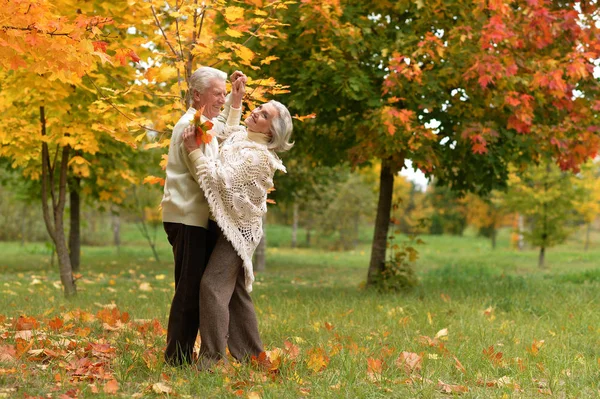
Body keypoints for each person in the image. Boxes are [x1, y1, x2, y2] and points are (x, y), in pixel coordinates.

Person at [181, 99, 294, 369]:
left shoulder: (257, 157)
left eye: (264, 114)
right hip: (223, 222)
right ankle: (254, 357)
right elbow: (227, 135)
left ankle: (212, 359)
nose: (256, 112)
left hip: (238, 231)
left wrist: (193, 151)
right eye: (259, 107)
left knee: (212, 286)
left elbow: (219, 179)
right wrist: (236, 101)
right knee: (235, 294)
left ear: (270, 132)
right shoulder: (244, 138)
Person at [161, 66, 246, 366]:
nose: (221, 99)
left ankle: (183, 355)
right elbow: (208, 176)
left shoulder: (203, 123)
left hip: (196, 219)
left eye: (223, 93)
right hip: (187, 219)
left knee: (193, 288)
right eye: (217, 93)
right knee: (188, 291)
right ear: (197, 95)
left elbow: (222, 133)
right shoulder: (191, 128)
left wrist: (235, 102)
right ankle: (177, 359)